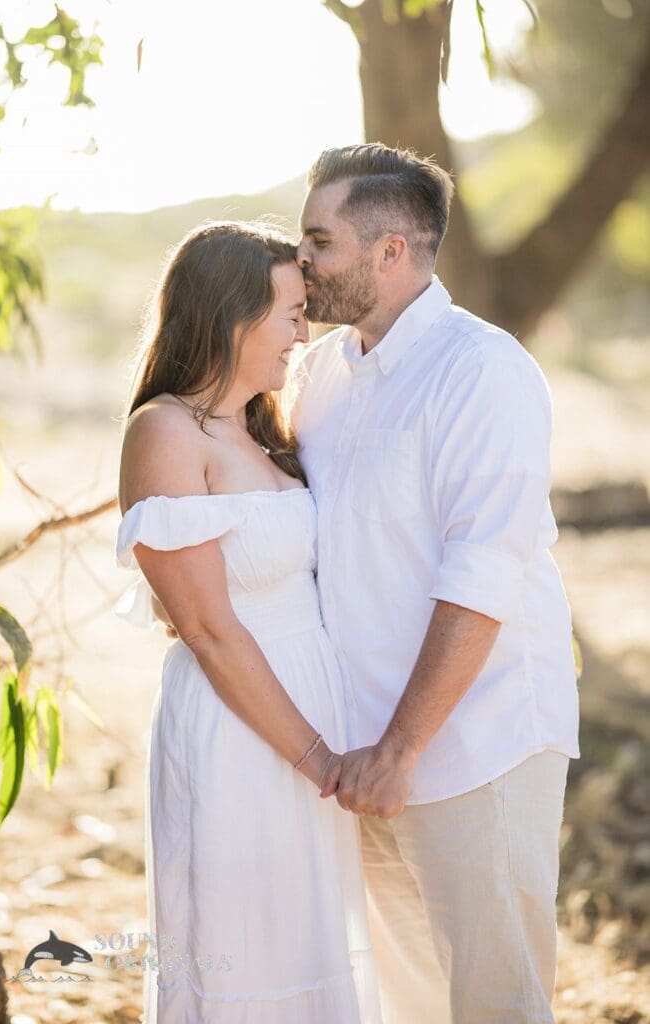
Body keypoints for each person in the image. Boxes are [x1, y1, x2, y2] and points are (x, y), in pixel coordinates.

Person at [290, 143, 581, 1024]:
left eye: (319, 241)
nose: (299, 261)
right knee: (409, 1005)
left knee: (496, 1002)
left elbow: (480, 575)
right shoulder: (320, 371)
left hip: (475, 743)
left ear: (391, 251)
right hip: (361, 757)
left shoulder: (482, 371)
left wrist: (402, 748)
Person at [114, 221, 383, 1023]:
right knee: (247, 953)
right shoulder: (163, 431)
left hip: (309, 711)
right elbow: (207, 628)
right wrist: (316, 755)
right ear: (232, 315)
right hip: (242, 727)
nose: (305, 334)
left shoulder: (263, 428)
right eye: (291, 314)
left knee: (309, 947)